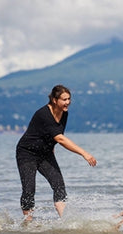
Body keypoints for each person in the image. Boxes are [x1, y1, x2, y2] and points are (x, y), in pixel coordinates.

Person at [16, 85, 97, 221]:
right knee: (29, 190)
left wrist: (50, 146)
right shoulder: (43, 114)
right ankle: (28, 223)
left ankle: (65, 221)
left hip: (45, 154)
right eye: (64, 99)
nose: (67, 102)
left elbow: (56, 134)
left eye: (69, 99)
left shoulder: (64, 113)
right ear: (54, 100)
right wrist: (84, 153)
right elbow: (60, 138)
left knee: (59, 186)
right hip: (27, 153)